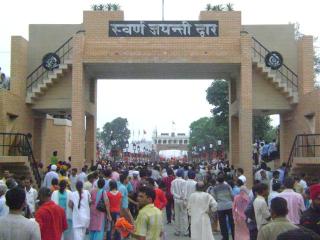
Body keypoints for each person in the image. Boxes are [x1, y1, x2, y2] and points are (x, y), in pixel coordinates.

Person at [213, 174, 235, 240]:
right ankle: (234, 237)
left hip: (220, 207)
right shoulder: (228, 186)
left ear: (217, 180)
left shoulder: (215, 188)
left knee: (223, 224)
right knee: (232, 222)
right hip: (229, 206)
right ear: (224, 180)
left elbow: (214, 198)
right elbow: (232, 195)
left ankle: (225, 238)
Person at [171, 168, 188, 236]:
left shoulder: (173, 181)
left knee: (177, 216)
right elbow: (184, 192)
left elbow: (172, 191)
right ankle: (185, 232)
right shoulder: (184, 181)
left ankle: (177, 231)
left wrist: (177, 196)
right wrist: (182, 197)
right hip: (182, 200)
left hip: (176, 200)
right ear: (182, 174)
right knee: (184, 216)